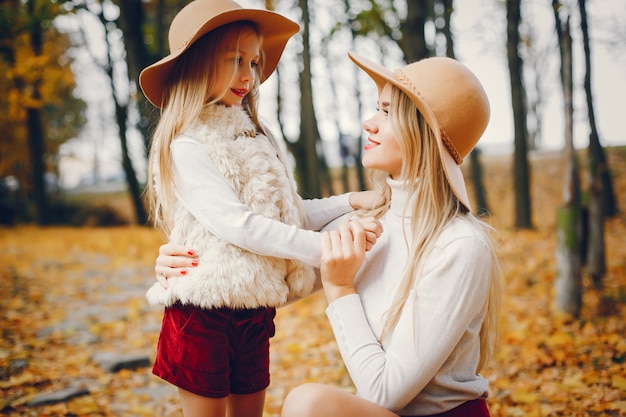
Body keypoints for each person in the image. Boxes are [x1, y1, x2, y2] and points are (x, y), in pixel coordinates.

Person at [155, 52, 502, 416]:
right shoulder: (369, 221)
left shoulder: (458, 246)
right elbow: (262, 279)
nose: (369, 123)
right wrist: (188, 268)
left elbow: (384, 393)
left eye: (386, 112)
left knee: (310, 405)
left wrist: (340, 288)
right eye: (375, 109)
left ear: (422, 131)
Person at [139, 1, 381, 416]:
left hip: (251, 312)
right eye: (235, 60)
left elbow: (286, 214)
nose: (248, 76)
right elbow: (241, 226)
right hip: (202, 313)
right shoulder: (189, 145)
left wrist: (350, 202)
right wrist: (326, 250)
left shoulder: (259, 136)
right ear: (198, 64)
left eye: (253, 62)